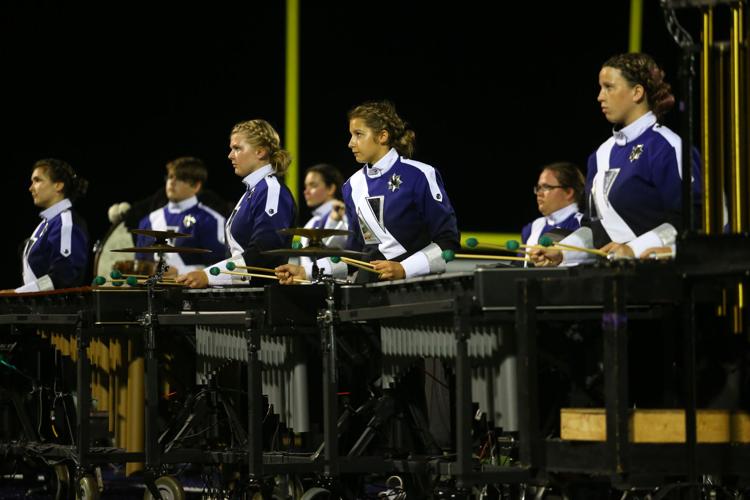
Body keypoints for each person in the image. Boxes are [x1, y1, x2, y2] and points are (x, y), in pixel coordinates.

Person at [530, 52, 701, 267]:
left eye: (609, 87)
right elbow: (596, 229)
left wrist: (633, 249)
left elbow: (691, 220)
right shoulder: (600, 156)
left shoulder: (667, 146)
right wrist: (563, 252)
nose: (600, 96)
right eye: (601, 88)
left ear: (637, 92)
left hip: (658, 286)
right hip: (611, 286)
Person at [276, 100, 459, 283]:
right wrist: (306, 271)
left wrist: (405, 268)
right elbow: (357, 255)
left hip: (416, 288)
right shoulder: (352, 186)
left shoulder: (420, 174)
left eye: (358, 134)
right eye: (351, 135)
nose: (350, 143)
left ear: (382, 137)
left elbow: (447, 241)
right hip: (367, 289)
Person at [176, 119, 296, 288]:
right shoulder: (254, 191)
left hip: (262, 299)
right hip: (248, 293)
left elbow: (265, 251)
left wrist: (209, 276)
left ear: (260, 152)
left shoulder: (270, 190)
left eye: (237, 148)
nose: (230, 155)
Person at [134, 157, 227, 276]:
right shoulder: (148, 221)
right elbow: (140, 266)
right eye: (170, 176)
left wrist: (181, 271)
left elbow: (221, 269)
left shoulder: (211, 220)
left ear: (196, 186)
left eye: (180, 178)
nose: (172, 182)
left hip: (192, 293)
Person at [15, 158, 89, 292]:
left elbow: (63, 275)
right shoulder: (46, 224)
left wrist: (18, 293)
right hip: (39, 310)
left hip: (57, 312)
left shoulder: (66, 222)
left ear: (58, 185)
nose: (31, 188)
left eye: (37, 180)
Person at [521, 162, 585, 247]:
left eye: (546, 187)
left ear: (569, 192)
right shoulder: (531, 228)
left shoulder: (584, 225)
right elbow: (523, 260)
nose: (539, 193)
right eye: (539, 188)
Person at [298, 163, 347, 267]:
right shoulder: (312, 222)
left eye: (313, 185)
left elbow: (338, 247)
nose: (306, 191)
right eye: (306, 186)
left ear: (331, 189)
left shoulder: (344, 215)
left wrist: (334, 221)